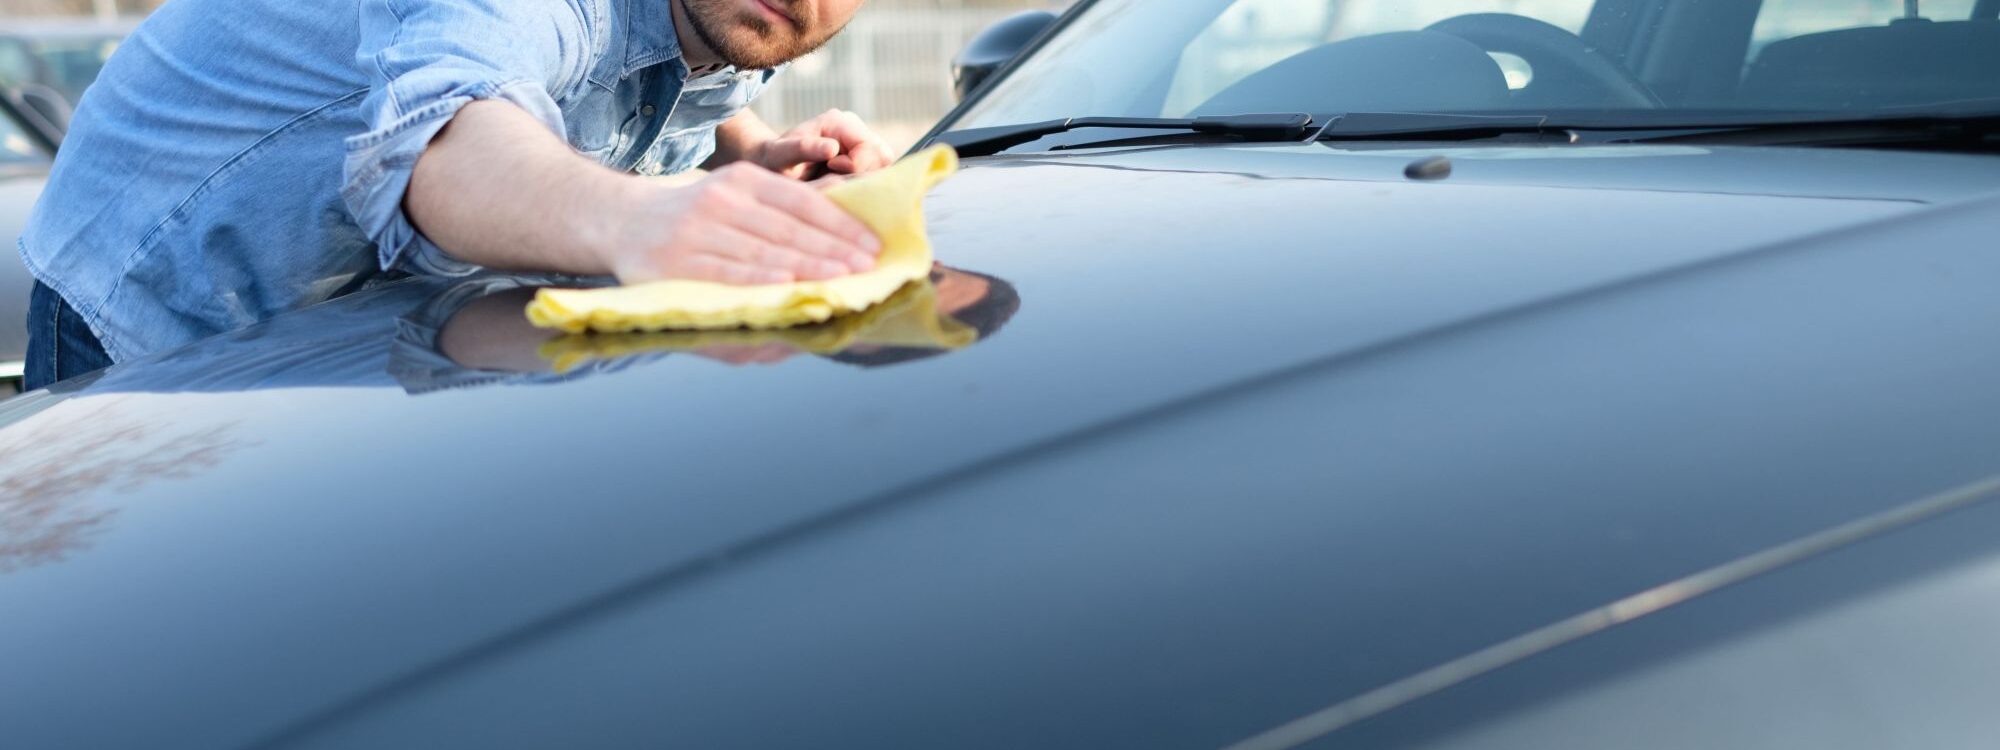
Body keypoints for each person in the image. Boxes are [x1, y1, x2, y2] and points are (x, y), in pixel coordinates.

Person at [18, 0, 896, 391]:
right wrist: (643, 217)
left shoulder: (732, 19)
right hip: (156, 273)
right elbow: (453, 141)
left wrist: (751, 159)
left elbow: (696, 90)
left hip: (344, 325)